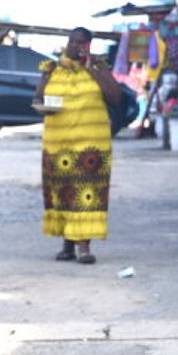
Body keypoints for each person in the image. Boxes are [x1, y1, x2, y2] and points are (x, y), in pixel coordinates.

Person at [35, 27, 119, 265]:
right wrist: (42, 104)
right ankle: (67, 245)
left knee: (86, 193)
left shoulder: (99, 67)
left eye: (81, 43)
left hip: (91, 144)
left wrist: (92, 68)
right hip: (58, 142)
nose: (75, 46)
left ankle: (84, 247)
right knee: (62, 192)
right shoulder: (51, 68)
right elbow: (38, 97)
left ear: (89, 46)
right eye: (72, 41)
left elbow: (115, 97)